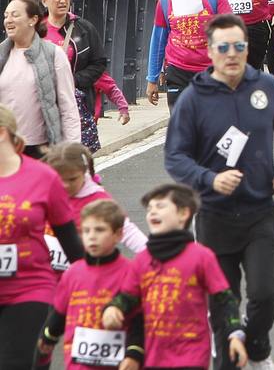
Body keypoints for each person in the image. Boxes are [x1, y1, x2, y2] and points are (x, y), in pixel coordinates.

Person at [162, 14, 274, 370]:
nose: (232, 54)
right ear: (210, 51)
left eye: (239, 46)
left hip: (259, 211)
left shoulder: (267, 88)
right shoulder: (194, 98)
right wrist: (208, 179)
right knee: (224, 306)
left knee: (265, 294)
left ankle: (255, 349)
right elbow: (175, 156)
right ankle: (228, 359)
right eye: (223, 47)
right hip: (213, 216)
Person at [101, 183, 246, 369]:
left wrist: (235, 334)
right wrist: (113, 309)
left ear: (183, 214)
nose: (152, 212)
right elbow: (128, 297)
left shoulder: (201, 256)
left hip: (191, 354)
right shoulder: (142, 260)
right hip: (153, 356)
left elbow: (225, 299)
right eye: (150, 208)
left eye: (160, 206)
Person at [0, 104, 84, 370]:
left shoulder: (43, 178)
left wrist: (95, 285)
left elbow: (70, 241)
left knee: (17, 363)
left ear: (2, 133)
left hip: (28, 289)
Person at [34, 199, 142, 370]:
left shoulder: (130, 273)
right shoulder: (73, 272)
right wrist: (48, 337)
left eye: (99, 230)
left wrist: (134, 353)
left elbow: (139, 320)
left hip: (117, 363)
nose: (92, 236)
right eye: (86, 231)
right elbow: (59, 312)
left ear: (118, 234)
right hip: (78, 363)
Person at [37, 0, 125, 154]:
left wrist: (72, 80)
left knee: (77, 159)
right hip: (43, 106)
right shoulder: (36, 31)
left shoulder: (84, 28)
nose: (62, 0)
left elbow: (99, 63)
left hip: (78, 104)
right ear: (44, 0)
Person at [1, 0, 81, 156]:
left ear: (33, 20)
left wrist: (72, 153)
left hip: (41, 149)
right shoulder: (2, 55)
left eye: (15, 15)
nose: (8, 20)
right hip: (4, 148)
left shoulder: (53, 54)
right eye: (6, 16)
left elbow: (68, 107)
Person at [146, 0, 229, 107]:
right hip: (178, 72)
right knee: (182, 127)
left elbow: (231, 35)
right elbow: (158, 40)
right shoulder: (164, 1)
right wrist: (152, 79)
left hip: (212, 72)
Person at [44, 142, 148, 253]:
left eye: (72, 179)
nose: (65, 185)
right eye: (59, 179)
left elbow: (127, 231)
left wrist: (153, 257)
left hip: (86, 263)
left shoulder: (98, 200)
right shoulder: (42, 191)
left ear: (84, 173)